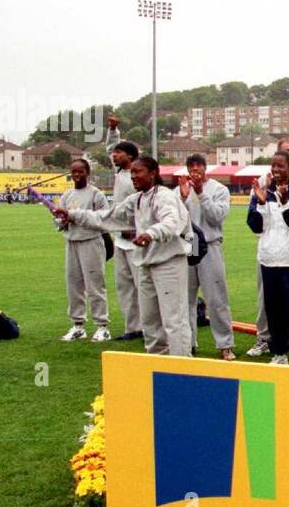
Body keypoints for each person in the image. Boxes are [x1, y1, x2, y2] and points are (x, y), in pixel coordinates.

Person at [53, 156, 192, 357]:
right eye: (131, 173)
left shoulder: (165, 196)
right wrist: (73, 215)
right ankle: (156, 364)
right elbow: (106, 217)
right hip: (145, 264)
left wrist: (150, 234)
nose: (133, 176)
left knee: (173, 320)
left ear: (153, 173)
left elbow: (171, 223)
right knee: (150, 321)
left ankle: (182, 367)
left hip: (169, 264)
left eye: (138, 172)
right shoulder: (136, 200)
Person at [248, 150, 289, 366]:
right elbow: (254, 225)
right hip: (269, 261)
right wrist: (259, 203)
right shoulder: (262, 190)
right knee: (274, 311)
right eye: (273, 166)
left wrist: (285, 203)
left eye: (281, 166)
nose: (276, 170)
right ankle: (279, 353)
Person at [179, 154, 235, 361]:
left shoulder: (219, 189)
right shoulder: (180, 189)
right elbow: (176, 219)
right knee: (186, 297)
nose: (195, 170)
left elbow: (215, 217)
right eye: (191, 166)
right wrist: (183, 198)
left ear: (205, 168)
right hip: (190, 242)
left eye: (199, 166)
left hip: (210, 243)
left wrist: (201, 193)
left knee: (216, 297)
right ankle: (188, 343)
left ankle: (225, 344)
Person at [56, 158, 111, 343]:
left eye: (80, 171)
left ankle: (102, 326)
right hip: (72, 242)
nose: (77, 175)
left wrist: (77, 217)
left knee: (95, 284)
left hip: (92, 242)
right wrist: (62, 221)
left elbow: (104, 219)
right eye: (74, 171)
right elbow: (57, 222)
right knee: (74, 285)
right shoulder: (67, 195)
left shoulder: (96, 194)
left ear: (87, 172)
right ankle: (78, 325)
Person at [109, 141, 144, 342]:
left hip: (137, 240)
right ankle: (132, 327)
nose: (114, 155)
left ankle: (150, 328)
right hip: (120, 238)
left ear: (130, 156)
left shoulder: (137, 177)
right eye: (114, 152)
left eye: (118, 152)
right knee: (124, 287)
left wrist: (138, 229)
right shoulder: (119, 174)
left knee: (142, 286)